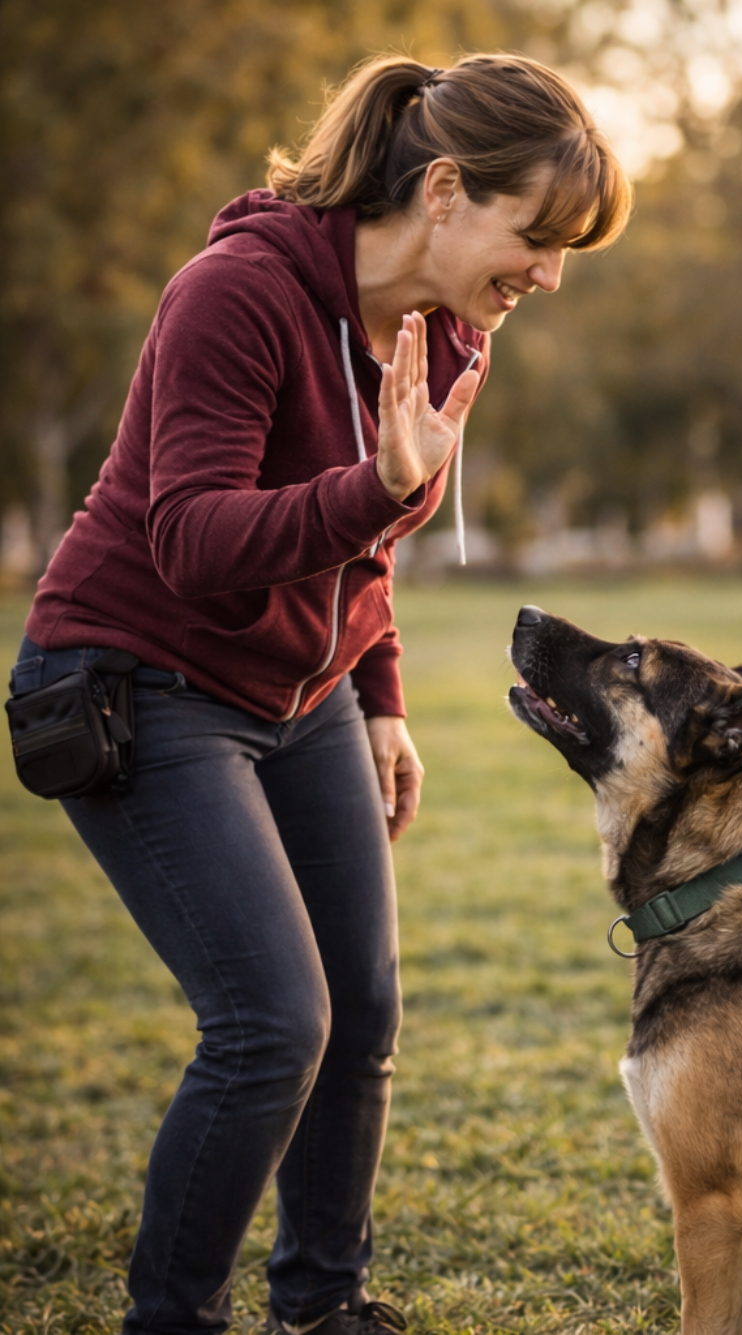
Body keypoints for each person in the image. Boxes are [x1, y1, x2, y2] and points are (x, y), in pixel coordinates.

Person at [12, 54, 629, 1335]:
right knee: (270, 1025)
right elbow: (192, 537)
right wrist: (377, 486)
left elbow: (371, 549)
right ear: (448, 191)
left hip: (306, 694)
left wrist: (382, 694)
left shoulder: (451, 332)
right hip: (137, 675)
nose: (550, 276)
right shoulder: (234, 294)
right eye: (539, 237)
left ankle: (323, 1305)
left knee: (362, 1010)